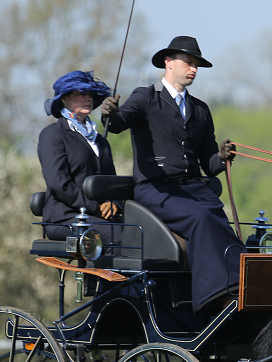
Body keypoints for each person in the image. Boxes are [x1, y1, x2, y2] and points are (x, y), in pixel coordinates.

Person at [100, 36, 243, 314]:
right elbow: (118, 123)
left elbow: (209, 163)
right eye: (188, 63)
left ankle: (243, 287)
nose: (193, 69)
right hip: (155, 190)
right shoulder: (145, 97)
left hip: (193, 189)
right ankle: (217, 296)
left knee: (222, 223)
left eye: (196, 65)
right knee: (201, 219)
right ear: (168, 62)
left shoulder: (200, 109)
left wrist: (222, 157)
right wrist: (110, 113)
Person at [38, 70, 120, 249]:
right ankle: (102, 278)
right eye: (80, 94)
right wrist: (95, 207)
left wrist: (114, 204)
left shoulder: (100, 141)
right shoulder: (53, 135)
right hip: (64, 217)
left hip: (99, 217)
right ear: (64, 99)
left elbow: (111, 182)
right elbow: (59, 183)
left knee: (145, 230)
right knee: (119, 235)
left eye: (90, 94)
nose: (88, 98)